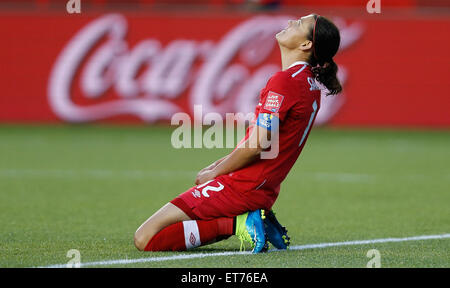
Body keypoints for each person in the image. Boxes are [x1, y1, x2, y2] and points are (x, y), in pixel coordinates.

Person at [134, 14, 342, 253]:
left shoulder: (284, 81)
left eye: (298, 24)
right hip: (262, 187)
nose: (289, 23)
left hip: (242, 187)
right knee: (173, 229)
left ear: (306, 44)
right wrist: (221, 163)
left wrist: (216, 172)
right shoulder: (309, 84)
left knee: (145, 238)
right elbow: (269, 142)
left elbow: (258, 145)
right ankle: (246, 220)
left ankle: (239, 222)